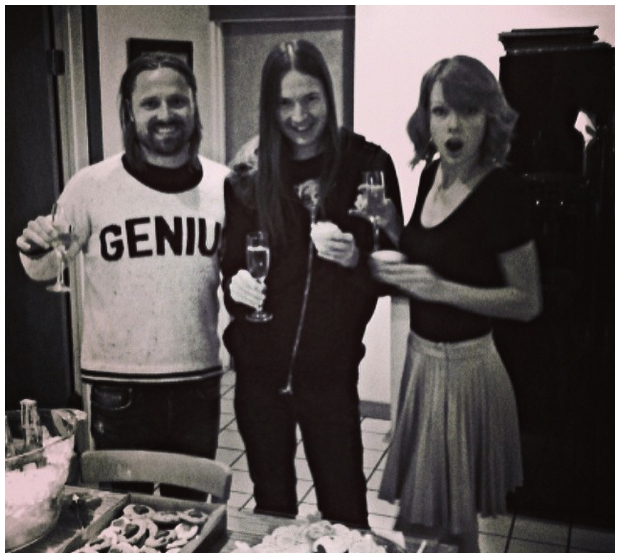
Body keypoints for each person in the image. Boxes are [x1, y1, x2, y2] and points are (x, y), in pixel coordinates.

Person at [16, 54, 229, 495]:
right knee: (122, 514)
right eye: (150, 103)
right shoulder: (91, 185)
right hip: (120, 388)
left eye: (177, 100)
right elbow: (48, 266)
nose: (165, 113)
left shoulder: (224, 186)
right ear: (129, 112)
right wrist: (35, 245)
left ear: (194, 105)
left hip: (198, 384)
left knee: (193, 512)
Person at [220, 39, 403, 529]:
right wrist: (237, 289)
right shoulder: (248, 174)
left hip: (330, 376)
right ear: (269, 106)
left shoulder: (367, 166)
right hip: (259, 375)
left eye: (310, 99)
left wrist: (358, 259)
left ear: (329, 94)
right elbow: (232, 267)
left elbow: (392, 264)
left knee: (345, 512)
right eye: (285, 103)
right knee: (271, 507)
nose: (299, 115)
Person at [372, 56, 543, 552]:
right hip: (422, 364)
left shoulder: (503, 191)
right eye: (441, 110)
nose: (453, 125)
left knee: (449, 529)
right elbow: (433, 253)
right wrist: (388, 222)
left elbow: (527, 301)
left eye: (469, 110)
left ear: (490, 117)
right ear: (425, 118)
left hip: (467, 373)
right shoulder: (431, 175)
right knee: (425, 522)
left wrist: (438, 288)